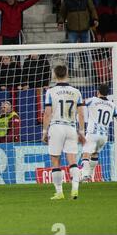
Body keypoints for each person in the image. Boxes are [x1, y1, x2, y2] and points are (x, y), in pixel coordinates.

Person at [42, 65, 86, 200]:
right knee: (72, 160)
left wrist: (44, 131)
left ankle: (59, 192)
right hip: (71, 128)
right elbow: (81, 114)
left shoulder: (51, 91)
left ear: (54, 75)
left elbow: (47, 113)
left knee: (55, 160)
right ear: (67, 74)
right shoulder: (76, 92)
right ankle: (74, 190)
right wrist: (82, 132)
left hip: (56, 127)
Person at [81, 84, 117, 182]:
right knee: (95, 154)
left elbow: (80, 103)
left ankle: (85, 175)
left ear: (98, 91)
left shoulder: (93, 100)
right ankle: (90, 176)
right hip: (104, 136)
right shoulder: (112, 105)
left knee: (86, 154)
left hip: (92, 133)